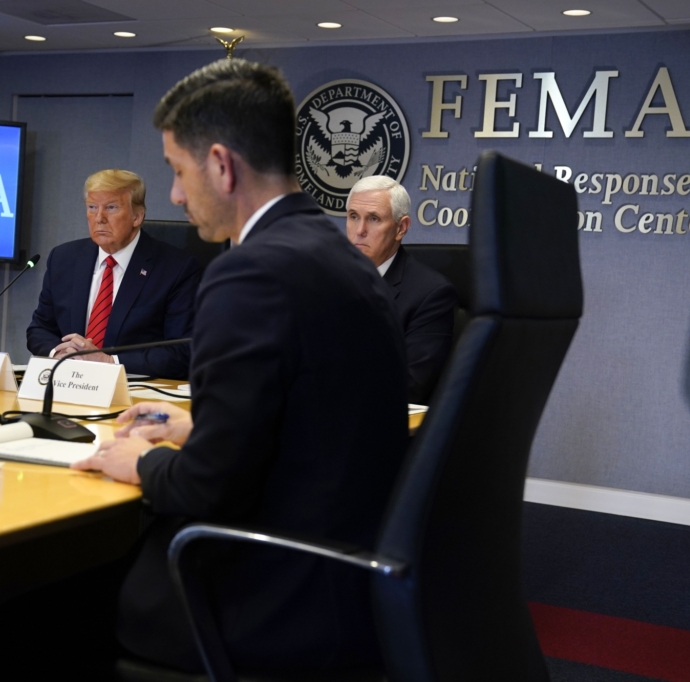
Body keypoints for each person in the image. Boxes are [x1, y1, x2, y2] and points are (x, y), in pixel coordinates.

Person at [72, 59, 409, 675]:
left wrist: (140, 460)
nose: (173, 193)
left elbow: (207, 488)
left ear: (222, 165)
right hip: (342, 578)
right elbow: (316, 424)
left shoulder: (248, 272)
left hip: (263, 592)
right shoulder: (341, 258)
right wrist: (192, 430)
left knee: (18, 627)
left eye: (177, 170)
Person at [26, 169, 201, 379]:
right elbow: (39, 329)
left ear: (137, 216)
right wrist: (60, 352)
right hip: (70, 383)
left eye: (111, 207)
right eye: (92, 207)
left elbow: (181, 351)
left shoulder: (176, 268)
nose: (99, 218)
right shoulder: (63, 259)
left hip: (134, 392)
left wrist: (110, 362)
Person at [346, 176, 457, 404]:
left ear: (401, 227)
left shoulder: (431, 294)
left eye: (374, 218)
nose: (360, 230)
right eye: (353, 216)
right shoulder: (324, 280)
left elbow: (409, 385)